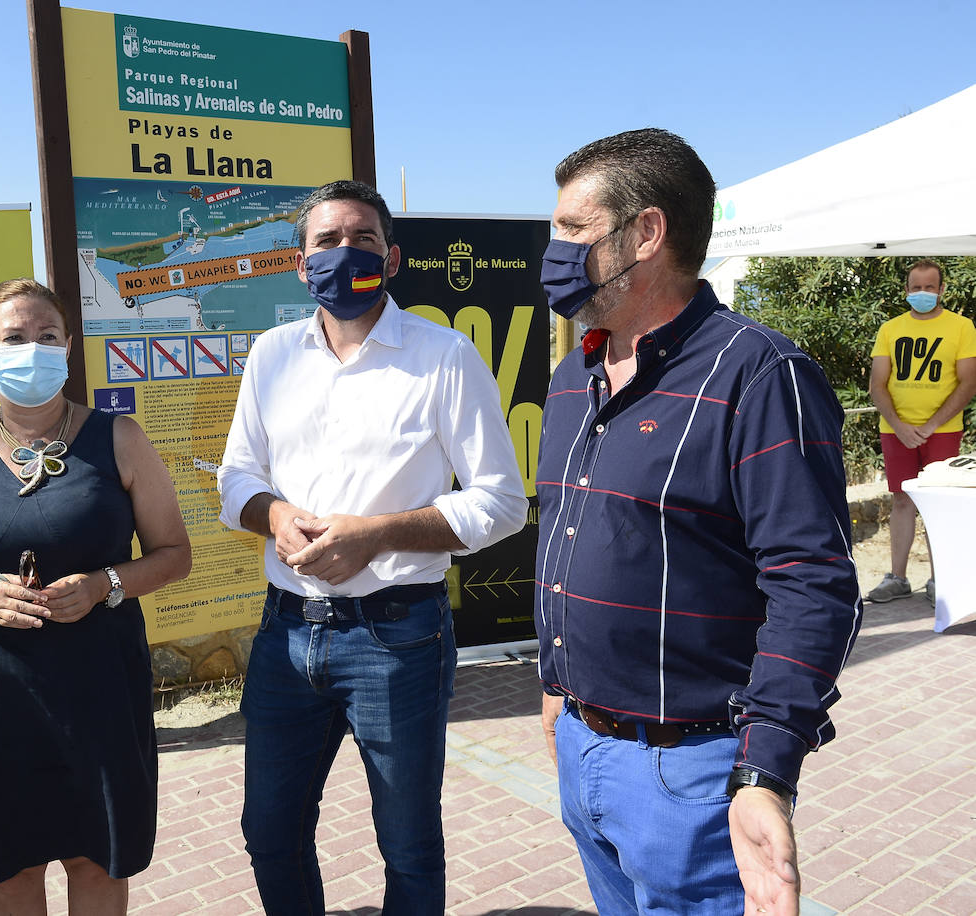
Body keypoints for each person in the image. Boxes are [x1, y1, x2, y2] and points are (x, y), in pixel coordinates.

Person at [534, 129, 863, 915]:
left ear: (646, 232)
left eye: (573, 229)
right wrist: (557, 687)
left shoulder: (759, 372)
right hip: (581, 746)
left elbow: (813, 585)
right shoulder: (576, 374)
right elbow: (574, 536)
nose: (554, 251)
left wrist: (764, 772)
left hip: (691, 774)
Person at [218, 179, 528, 915]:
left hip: (398, 635)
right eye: (326, 241)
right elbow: (237, 477)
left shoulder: (444, 356)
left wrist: (377, 534)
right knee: (269, 831)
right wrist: (273, 514)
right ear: (300, 264)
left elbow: (501, 502)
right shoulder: (271, 355)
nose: (344, 252)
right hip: (286, 632)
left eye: (362, 239)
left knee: (408, 845)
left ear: (391, 259)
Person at [0, 278, 191, 914]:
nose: (30, 349)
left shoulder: (120, 439)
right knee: (8, 872)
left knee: (98, 861)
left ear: (67, 347)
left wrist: (103, 585)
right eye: (13, 338)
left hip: (99, 689)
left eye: (46, 336)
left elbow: (175, 553)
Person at [865, 259, 976, 604]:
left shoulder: (962, 327)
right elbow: (877, 385)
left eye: (930, 287)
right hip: (895, 431)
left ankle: (940, 579)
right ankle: (897, 578)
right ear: (906, 290)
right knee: (901, 500)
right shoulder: (890, 329)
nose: (923, 293)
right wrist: (900, 426)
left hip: (942, 432)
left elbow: (968, 383)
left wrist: (929, 426)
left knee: (938, 505)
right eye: (917, 287)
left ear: (942, 290)